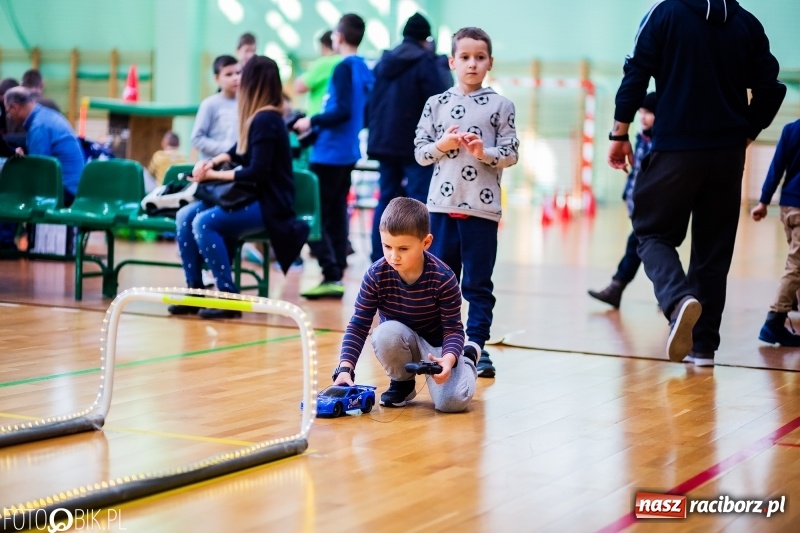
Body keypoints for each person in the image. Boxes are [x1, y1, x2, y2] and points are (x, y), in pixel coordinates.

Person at [608, 0, 786, 366]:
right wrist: (746, 134)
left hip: (675, 148)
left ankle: (676, 300)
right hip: (727, 155)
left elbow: (636, 73)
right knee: (713, 250)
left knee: (651, 233)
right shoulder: (747, 24)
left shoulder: (665, 14)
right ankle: (703, 348)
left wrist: (619, 132)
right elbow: (772, 89)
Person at [168, 56, 309, 320]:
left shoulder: (267, 118)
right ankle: (194, 292)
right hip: (251, 196)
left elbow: (258, 171)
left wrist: (214, 176)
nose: (238, 78)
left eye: (243, 73)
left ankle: (228, 296)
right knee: (184, 216)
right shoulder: (258, 116)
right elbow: (238, 151)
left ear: (255, 80)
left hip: (270, 204)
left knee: (204, 223)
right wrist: (213, 161)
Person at [414, 27, 519, 379]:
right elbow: (420, 153)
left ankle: (477, 346)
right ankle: (446, 346)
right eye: (465, 57)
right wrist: (442, 146)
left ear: (490, 62)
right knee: (442, 284)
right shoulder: (436, 104)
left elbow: (511, 152)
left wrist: (483, 152)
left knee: (477, 284)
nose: (472, 64)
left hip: (481, 211)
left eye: (479, 57)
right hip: (441, 209)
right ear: (451, 61)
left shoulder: (501, 105)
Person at [331, 197, 477, 411]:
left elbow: (453, 330)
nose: (393, 256)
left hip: (437, 347)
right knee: (383, 332)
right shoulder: (375, 275)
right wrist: (345, 368)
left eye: (403, 248)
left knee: (451, 403)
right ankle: (402, 383)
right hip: (400, 338)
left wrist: (448, 358)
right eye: (387, 246)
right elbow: (359, 325)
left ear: (426, 242)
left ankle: (469, 360)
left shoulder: (443, 277)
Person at [293, 13, 374, 299]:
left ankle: (330, 273)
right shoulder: (364, 68)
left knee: (319, 215)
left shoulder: (343, 68)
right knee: (337, 213)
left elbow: (340, 111)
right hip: (347, 150)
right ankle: (336, 268)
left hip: (329, 153)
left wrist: (312, 121)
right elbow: (362, 114)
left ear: (338, 37)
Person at [366, 12, 451, 263]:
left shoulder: (384, 62)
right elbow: (442, 98)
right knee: (418, 203)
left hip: (384, 142)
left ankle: (379, 257)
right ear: (426, 39)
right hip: (415, 145)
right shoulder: (426, 62)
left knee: (385, 200)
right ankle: (417, 258)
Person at [589, 92, 656, 308]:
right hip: (638, 206)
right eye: (642, 112)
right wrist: (628, 196)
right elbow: (636, 173)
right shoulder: (640, 138)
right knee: (650, 249)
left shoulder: (658, 142)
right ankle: (675, 295)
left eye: (650, 113)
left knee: (640, 247)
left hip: (652, 208)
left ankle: (617, 288)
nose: (644, 117)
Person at [751, 118, 800, 347]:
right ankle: (774, 320)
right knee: (796, 266)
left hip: (788, 206)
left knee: (798, 263)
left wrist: (763, 201)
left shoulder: (791, 129)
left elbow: (776, 167)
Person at [3, 87, 84, 206]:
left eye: (8, 113)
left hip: (65, 192)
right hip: (74, 187)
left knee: (9, 196)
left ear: (15, 107)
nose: (11, 118)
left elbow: (38, 173)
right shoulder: (45, 116)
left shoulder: (38, 127)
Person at [191, 55, 240, 162]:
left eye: (238, 73)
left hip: (240, 167)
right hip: (213, 168)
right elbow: (197, 139)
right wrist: (228, 150)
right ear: (217, 78)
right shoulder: (209, 104)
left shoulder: (246, 103)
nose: (235, 78)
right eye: (228, 74)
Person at [293, 30, 340, 117]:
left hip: (319, 117)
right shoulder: (346, 62)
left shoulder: (324, 63)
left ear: (323, 46)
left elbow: (299, 87)